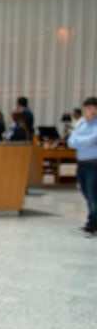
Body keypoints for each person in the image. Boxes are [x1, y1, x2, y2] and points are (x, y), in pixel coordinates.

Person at [67, 96, 97, 236]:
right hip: (82, 163)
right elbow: (71, 142)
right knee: (85, 192)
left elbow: (93, 139)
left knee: (92, 194)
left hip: (93, 163)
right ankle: (92, 221)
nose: (88, 110)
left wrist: (81, 141)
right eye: (86, 108)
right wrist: (83, 141)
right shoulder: (81, 124)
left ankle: (92, 225)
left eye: (91, 108)